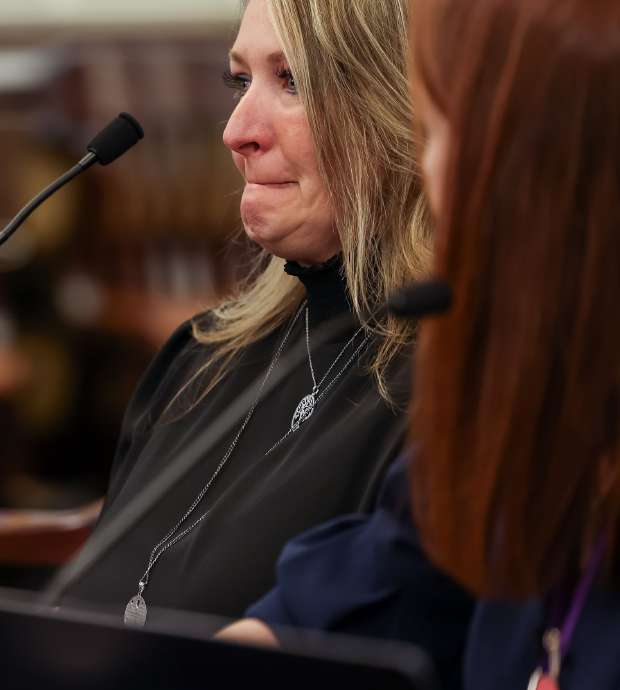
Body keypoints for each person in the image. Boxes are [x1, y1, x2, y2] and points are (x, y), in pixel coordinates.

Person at [222, 0, 620, 688]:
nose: (428, 180)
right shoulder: (523, 405)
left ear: (558, 171)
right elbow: (380, 574)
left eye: (437, 134)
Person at [58, 0, 431, 621]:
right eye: (240, 80)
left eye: (293, 81)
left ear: (404, 109)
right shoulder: (200, 360)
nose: (236, 132)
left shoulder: (449, 392)